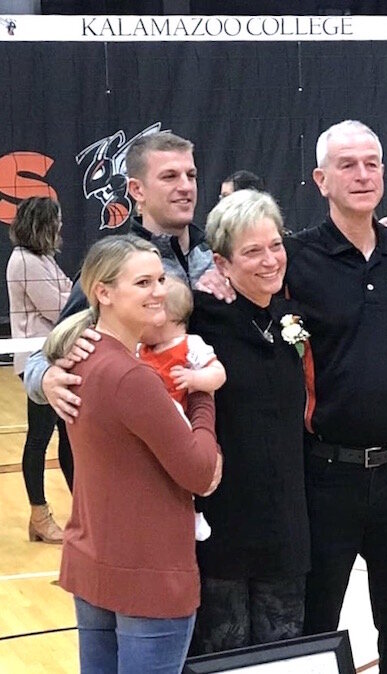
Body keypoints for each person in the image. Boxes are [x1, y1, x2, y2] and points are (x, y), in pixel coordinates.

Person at [284, 120, 387, 674]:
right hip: (325, 476)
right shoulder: (295, 258)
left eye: (372, 162)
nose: (362, 174)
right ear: (321, 179)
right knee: (316, 625)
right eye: (347, 164)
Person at [43, 234, 222, 673]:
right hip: (148, 574)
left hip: (95, 564)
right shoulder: (131, 377)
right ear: (103, 292)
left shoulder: (79, 360)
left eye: (161, 279)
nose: (160, 291)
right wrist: (199, 390)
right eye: (143, 283)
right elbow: (202, 473)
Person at [23, 131, 231, 424]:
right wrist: (47, 378)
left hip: (215, 443)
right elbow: (42, 358)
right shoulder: (115, 266)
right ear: (137, 189)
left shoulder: (216, 256)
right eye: (169, 176)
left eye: (191, 175)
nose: (185, 186)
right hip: (143, 446)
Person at [188, 189, 310, 654]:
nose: (269, 260)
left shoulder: (290, 315)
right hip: (222, 529)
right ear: (221, 263)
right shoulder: (200, 318)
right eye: (252, 251)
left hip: (285, 528)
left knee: (283, 656)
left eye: (275, 246)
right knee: (225, 656)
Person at [138, 275, 227, 541]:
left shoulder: (191, 345)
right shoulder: (141, 349)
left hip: (181, 423)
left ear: (161, 317)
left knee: (186, 468)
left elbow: (218, 373)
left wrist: (194, 380)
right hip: (151, 423)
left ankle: (195, 514)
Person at [6, 196, 73, 543]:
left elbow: (68, 292)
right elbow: (62, 306)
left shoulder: (42, 257)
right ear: (44, 224)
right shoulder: (25, 261)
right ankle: (39, 516)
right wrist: (74, 296)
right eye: (57, 220)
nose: (62, 226)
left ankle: (85, 513)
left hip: (54, 359)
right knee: (40, 438)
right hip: (37, 363)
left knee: (69, 437)